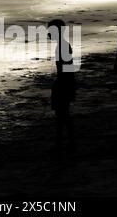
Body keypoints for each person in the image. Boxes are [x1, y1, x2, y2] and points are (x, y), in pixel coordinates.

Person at [48, 19, 75, 148]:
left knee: (62, 114)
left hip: (64, 83)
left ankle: (63, 140)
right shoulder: (62, 45)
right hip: (64, 82)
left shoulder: (62, 46)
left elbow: (67, 68)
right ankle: (65, 139)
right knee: (63, 114)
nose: (48, 33)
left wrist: (62, 84)